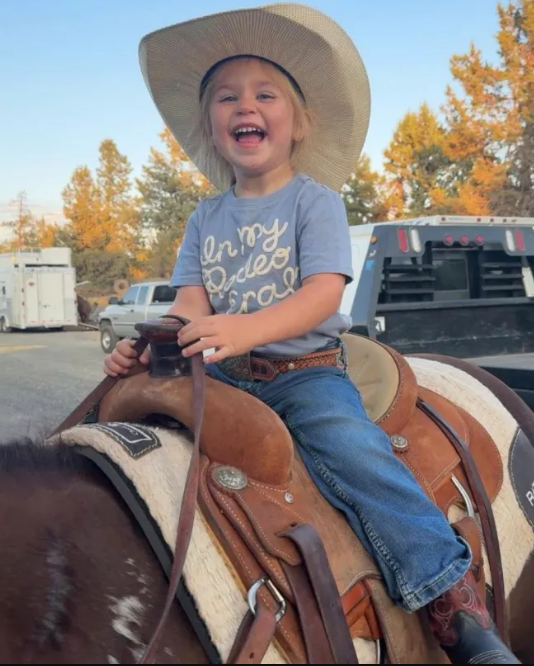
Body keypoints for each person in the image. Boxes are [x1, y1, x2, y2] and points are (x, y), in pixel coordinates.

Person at [104, 5, 518, 663]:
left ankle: (455, 607)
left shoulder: (314, 200)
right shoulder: (204, 218)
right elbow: (189, 304)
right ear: (210, 127)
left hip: (304, 375)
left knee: (357, 456)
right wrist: (150, 343)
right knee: (126, 444)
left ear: (298, 123)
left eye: (265, 95)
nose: (246, 105)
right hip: (223, 376)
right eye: (227, 97)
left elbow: (323, 292)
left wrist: (246, 328)